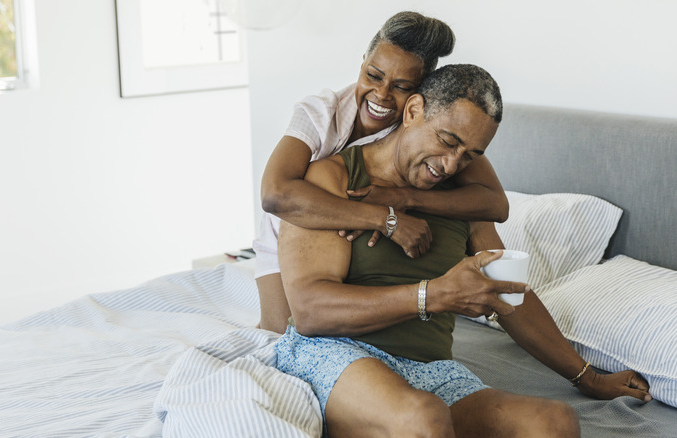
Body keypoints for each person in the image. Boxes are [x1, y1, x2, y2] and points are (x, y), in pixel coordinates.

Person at [275, 64, 652, 437]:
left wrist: (587, 378)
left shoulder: (462, 199)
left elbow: (509, 295)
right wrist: (433, 295)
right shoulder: (335, 178)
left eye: (471, 155)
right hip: (334, 352)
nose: (451, 165)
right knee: (422, 417)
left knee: (553, 423)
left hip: (431, 369)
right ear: (413, 111)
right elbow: (311, 312)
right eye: (448, 141)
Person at [255, 11, 509, 334]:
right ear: (362, 64)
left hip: (339, 250)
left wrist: (407, 197)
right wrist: (384, 219)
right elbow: (275, 194)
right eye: (374, 76)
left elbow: (496, 206)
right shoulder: (319, 113)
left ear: (418, 99)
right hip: (286, 231)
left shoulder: (432, 141)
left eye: (401, 86)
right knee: (278, 339)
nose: (382, 94)